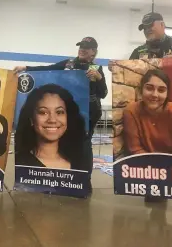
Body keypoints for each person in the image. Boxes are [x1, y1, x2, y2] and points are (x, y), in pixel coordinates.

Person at [14, 37, 108, 192]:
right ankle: (59, 177)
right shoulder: (68, 64)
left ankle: (84, 180)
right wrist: (26, 67)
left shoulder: (96, 68)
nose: (82, 49)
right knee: (65, 140)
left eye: (86, 47)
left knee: (84, 143)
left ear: (94, 51)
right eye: (81, 46)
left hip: (88, 113)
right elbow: (48, 69)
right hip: (66, 110)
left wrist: (98, 79)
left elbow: (103, 93)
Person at [123, 69, 172, 211]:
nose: (155, 95)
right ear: (141, 90)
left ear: (167, 94)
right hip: (151, 166)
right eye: (149, 88)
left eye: (161, 90)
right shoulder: (131, 111)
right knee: (154, 205)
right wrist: (156, 174)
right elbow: (135, 148)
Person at [15, 84, 86, 170]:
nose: (52, 120)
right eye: (43, 112)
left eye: (59, 112)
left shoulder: (80, 162)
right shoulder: (20, 162)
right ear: (31, 119)